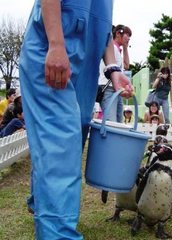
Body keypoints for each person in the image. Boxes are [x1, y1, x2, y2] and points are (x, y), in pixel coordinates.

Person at [19, 1, 133, 239]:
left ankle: (40, 202)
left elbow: (103, 23)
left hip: (86, 63)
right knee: (61, 146)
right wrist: (56, 43)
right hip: (53, 51)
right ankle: (57, 233)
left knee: (74, 139)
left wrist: (113, 68)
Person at [99, 24, 132, 122]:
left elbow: (126, 65)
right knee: (111, 122)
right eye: (127, 35)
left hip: (116, 89)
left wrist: (125, 48)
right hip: (108, 87)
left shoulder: (117, 50)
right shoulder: (112, 48)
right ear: (118, 33)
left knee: (118, 122)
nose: (129, 39)